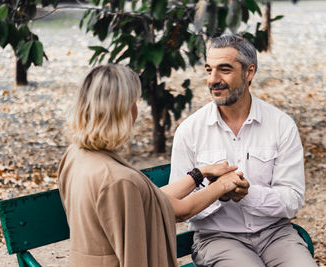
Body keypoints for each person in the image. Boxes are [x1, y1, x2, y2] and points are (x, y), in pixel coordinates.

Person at [58, 64, 248, 267]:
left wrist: (199, 173)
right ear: (121, 111)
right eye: (133, 102)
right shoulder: (118, 179)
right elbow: (180, 211)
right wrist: (222, 185)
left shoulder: (76, 156)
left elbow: (152, 201)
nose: (136, 111)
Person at [169, 34, 317, 266]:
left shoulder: (281, 124)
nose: (213, 80)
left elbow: (293, 199)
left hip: (275, 234)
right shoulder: (190, 130)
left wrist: (247, 194)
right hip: (217, 238)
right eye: (209, 70)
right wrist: (218, 192)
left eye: (224, 70)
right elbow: (179, 206)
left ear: (249, 73)